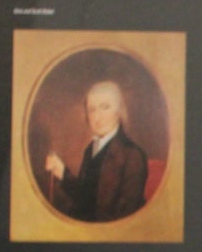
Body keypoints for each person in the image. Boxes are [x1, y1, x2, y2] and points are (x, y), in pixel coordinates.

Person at [44, 80, 149, 221]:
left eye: (105, 107)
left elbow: (125, 216)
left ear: (118, 112)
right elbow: (85, 197)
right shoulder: (90, 150)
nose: (98, 117)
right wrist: (62, 172)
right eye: (92, 109)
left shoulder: (133, 155)